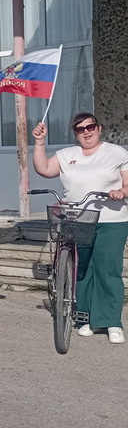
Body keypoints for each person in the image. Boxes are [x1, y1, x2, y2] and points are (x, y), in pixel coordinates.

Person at [33, 113, 128, 344]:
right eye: (80, 129)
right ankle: (84, 318)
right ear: (75, 133)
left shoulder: (117, 153)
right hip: (77, 218)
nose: (86, 132)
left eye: (90, 127)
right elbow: (44, 169)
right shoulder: (67, 155)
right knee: (81, 269)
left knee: (108, 269)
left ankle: (111, 322)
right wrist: (39, 142)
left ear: (99, 128)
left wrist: (121, 192)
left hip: (111, 219)